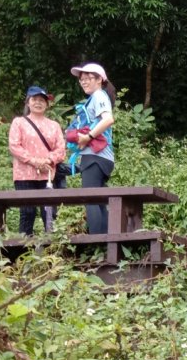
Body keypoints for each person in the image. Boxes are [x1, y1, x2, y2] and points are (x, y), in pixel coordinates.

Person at [8, 86, 66, 236]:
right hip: (24, 174)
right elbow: (14, 145)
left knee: (49, 212)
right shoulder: (19, 122)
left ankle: (51, 247)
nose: (38, 103)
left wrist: (48, 160)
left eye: (42, 100)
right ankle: (23, 247)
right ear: (28, 102)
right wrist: (34, 161)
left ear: (47, 104)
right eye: (34, 99)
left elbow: (61, 149)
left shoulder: (54, 125)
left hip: (47, 174)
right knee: (27, 211)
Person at [68, 63, 116, 234]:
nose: (84, 82)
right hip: (101, 157)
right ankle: (105, 240)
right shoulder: (96, 97)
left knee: (90, 199)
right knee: (99, 200)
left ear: (99, 80)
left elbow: (108, 119)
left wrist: (88, 137)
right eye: (82, 79)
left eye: (88, 78)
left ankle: (97, 242)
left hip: (95, 156)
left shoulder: (98, 95)